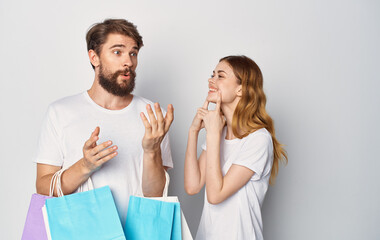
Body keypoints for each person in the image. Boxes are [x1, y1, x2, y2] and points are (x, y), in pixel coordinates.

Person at [34, 19, 174, 226]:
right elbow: (43, 188)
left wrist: (152, 150)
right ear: (94, 57)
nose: (128, 62)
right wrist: (85, 166)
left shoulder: (153, 115)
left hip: (137, 233)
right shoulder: (60, 112)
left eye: (133, 53)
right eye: (117, 52)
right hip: (81, 232)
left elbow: (156, 197)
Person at [184, 55, 287, 240]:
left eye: (220, 76)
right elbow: (192, 186)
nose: (211, 80)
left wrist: (213, 134)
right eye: (212, 74)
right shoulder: (218, 133)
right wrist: (193, 132)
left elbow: (216, 195)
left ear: (241, 89)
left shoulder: (258, 140)